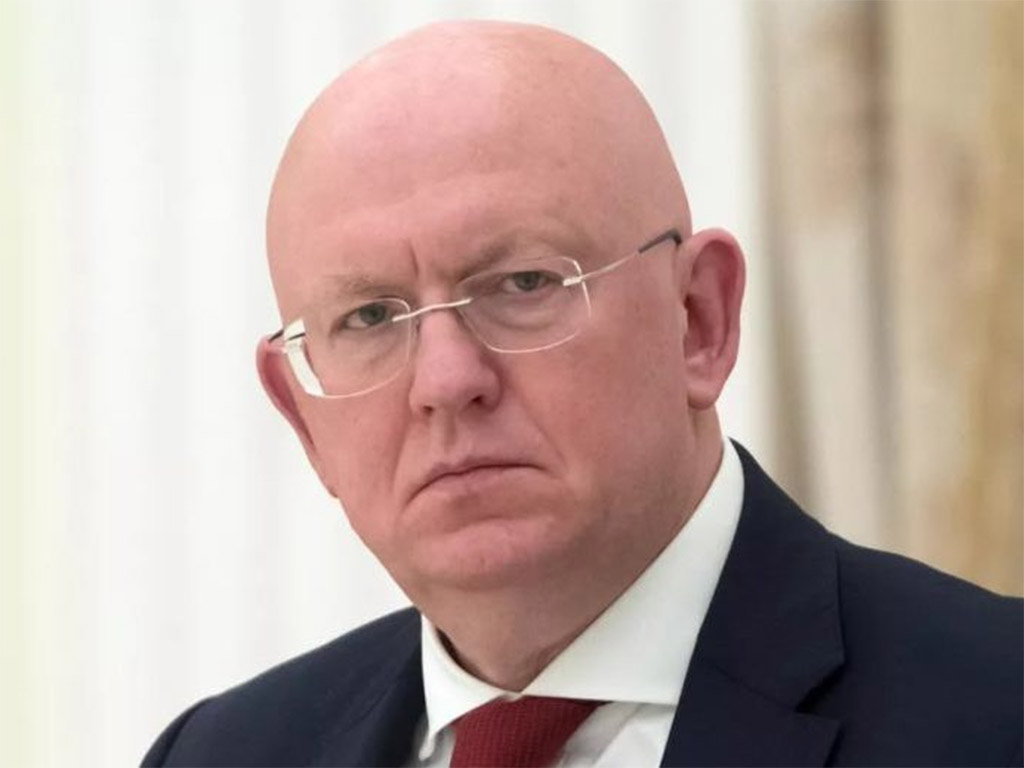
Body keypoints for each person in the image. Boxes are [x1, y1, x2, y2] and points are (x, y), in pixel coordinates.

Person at [142, 20, 1022, 768]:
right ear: (303, 418)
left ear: (699, 319)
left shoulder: (996, 711)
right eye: (370, 316)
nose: (446, 382)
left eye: (523, 283)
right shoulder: (221, 754)